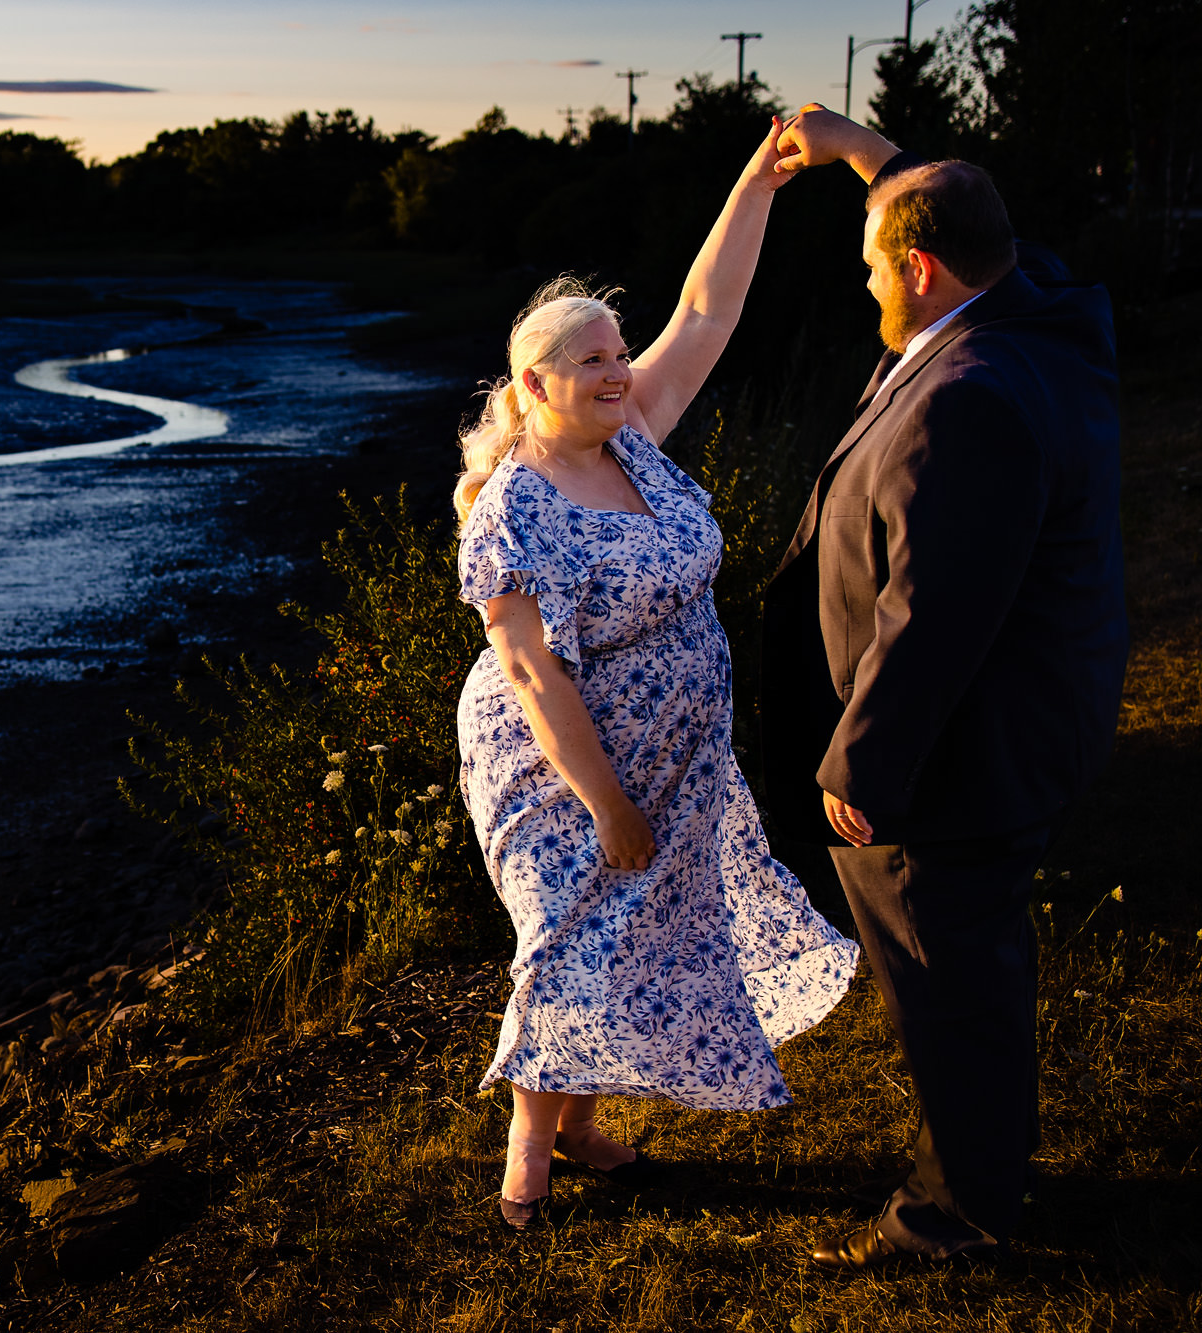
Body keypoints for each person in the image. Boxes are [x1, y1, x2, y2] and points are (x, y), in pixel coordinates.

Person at [454, 118, 860, 1228]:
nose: (615, 368)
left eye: (615, 353)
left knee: (632, 931)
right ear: (533, 383)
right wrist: (605, 801)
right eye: (590, 358)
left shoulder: (630, 432)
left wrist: (758, 180)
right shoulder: (512, 507)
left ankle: (576, 1124)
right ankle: (527, 1154)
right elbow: (532, 676)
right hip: (552, 760)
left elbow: (708, 310)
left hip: (673, 751)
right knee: (566, 930)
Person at [762, 107, 1126, 1272]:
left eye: (872, 260)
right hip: (1026, 721)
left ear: (916, 269)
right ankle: (993, 1155)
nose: (862, 277)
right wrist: (868, 156)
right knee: (971, 960)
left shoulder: (963, 395)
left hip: (953, 755)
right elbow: (977, 233)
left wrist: (862, 765)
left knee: (944, 978)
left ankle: (963, 1211)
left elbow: (936, 614)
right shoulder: (1047, 315)